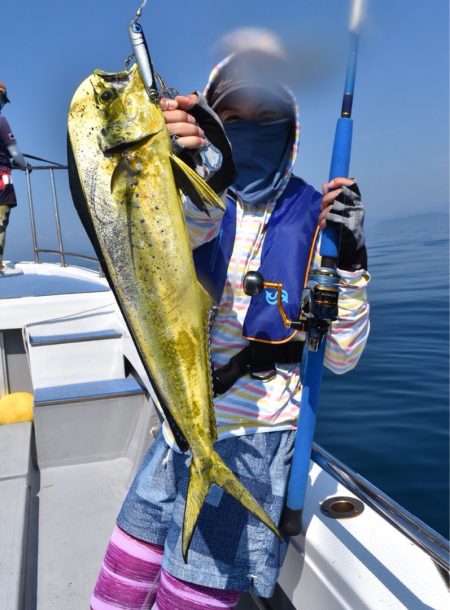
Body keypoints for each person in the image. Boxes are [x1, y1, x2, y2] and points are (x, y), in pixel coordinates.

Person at [91, 43, 370, 610]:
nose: (250, 131)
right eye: (232, 119)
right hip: (175, 436)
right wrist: (176, 163)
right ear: (210, 124)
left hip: (249, 443)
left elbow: (340, 358)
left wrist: (353, 265)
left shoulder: (318, 220)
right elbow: (166, 248)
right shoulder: (191, 200)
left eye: (266, 118)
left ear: (290, 129)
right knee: (116, 589)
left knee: (184, 599)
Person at [0, 83, 29, 271]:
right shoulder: (1, 122)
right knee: (0, 221)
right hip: (1, 178)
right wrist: (24, 164)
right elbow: (15, 153)